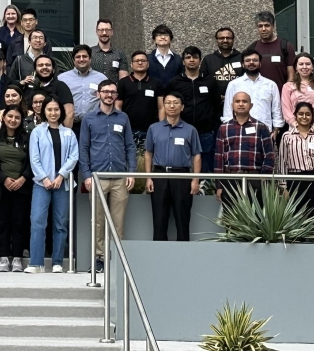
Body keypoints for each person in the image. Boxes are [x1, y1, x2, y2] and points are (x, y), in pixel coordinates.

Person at [78, 79, 134, 272]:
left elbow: (130, 147)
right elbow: (83, 149)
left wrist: (132, 173)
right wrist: (86, 175)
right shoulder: (89, 118)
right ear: (98, 94)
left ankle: (116, 258)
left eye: (113, 92)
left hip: (119, 177)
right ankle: (99, 258)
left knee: (118, 222)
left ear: (116, 95)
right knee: (98, 221)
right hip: (97, 177)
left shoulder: (123, 118)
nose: (109, 95)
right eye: (106, 92)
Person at [25, 99, 76, 274]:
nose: (53, 113)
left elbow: (73, 157)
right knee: (38, 221)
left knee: (60, 224)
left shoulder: (69, 133)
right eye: (49, 109)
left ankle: (57, 262)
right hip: (42, 183)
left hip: (62, 182)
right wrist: (45, 178)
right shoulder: (37, 132)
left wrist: (61, 175)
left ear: (61, 112)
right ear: (44, 112)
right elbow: (34, 158)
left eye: (56, 109)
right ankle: (36, 263)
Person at [143, 92, 202, 241]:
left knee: (182, 219)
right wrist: (148, 177)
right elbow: (148, 153)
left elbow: (197, 155)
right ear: (163, 106)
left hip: (182, 177)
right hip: (159, 176)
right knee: (159, 219)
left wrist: (195, 180)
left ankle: (183, 257)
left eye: (175, 103)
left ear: (182, 107)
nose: (171, 106)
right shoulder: (154, 129)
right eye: (168, 102)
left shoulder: (190, 130)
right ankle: (158, 256)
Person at [277, 102, 314, 242]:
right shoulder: (286, 137)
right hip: (295, 178)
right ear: (295, 115)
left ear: (312, 116)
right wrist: (283, 186)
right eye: (301, 114)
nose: (304, 117)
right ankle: (297, 249)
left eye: (308, 114)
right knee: (295, 216)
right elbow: (282, 162)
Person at [162, 47, 219, 174]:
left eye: (195, 57)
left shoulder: (210, 81)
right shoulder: (175, 82)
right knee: (182, 164)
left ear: (200, 60)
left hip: (205, 131)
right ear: (183, 61)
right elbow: (168, 103)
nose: (191, 60)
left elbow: (216, 104)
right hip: (181, 130)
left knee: (205, 166)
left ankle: (203, 192)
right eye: (188, 57)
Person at [214, 92, 276, 208]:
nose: (241, 104)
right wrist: (219, 185)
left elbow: (269, 156)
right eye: (237, 101)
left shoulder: (261, 127)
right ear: (232, 105)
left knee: (256, 219)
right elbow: (219, 159)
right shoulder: (224, 128)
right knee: (231, 220)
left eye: (244, 101)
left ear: (251, 105)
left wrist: (263, 180)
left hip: (255, 180)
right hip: (231, 180)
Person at [221, 49, 283, 133]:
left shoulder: (271, 85)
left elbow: (277, 109)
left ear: (260, 64)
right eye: (247, 60)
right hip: (239, 131)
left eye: (255, 60)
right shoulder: (233, 84)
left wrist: (276, 129)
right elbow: (228, 109)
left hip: (265, 131)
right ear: (243, 64)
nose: (251, 63)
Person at [117, 50, 161, 148]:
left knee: (148, 159)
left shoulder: (156, 83)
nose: (140, 63)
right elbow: (118, 106)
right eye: (137, 61)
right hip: (128, 129)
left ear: (148, 64)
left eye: (143, 61)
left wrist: (161, 127)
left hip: (151, 128)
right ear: (131, 65)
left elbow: (161, 107)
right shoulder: (123, 83)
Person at [280, 53, 314, 134]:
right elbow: (286, 110)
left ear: (313, 67)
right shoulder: (288, 87)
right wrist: (297, 126)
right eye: (301, 64)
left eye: (307, 64)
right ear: (296, 68)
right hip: (296, 126)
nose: (304, 67)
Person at [58, 45, 104, 126]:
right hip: (70, 124)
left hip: (94, 124)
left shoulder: (101, 79)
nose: (81, 59)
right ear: (73, 60)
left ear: (90, 59)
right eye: (78, 57)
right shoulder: (62, 79)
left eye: (85, 56)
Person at [24, 56, 75, 129]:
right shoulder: (34, 88)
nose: (44, 67)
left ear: (53, 69)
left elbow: (69, 113)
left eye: (48, 65)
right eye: (40, 65)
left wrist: (65, 134)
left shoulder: (61, 86)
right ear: (35, 70)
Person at [247, 11, 296, 87]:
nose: (263, 29)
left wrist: (287, 93)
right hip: (258, 95)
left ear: (273, 26)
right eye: (260, 26)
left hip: (280, 94)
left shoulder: (285, 46)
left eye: (267, 25)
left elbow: (291, 77)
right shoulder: (253, 47)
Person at [200, 27, 244, 97]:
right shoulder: (208, 59)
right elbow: (203, 81)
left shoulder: (242, 58)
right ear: (216, 40)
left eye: (228, 38)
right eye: (221, 38)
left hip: (238, 101)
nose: (225, 40)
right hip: (214, 102)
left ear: (233, 40)